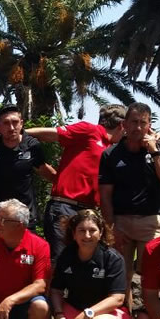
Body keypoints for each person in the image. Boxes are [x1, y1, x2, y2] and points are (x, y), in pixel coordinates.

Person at [100, 102, 160, 314]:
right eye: (133, 122)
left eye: (142, 123)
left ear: (149, 125)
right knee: (121, 275)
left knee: (152, 275)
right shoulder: (110, 154)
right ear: (124, 124)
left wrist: (154, 152)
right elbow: (105, 196)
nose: (137, 127)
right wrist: (111, 228)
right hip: (121, 222)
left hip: (151, 221)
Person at [26, 104, 126, 260]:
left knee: (81, 263)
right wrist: (18, 133)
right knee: (60, 262)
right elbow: (51, 134)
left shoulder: (113, 149)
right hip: (65, 208)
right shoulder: (90, 130)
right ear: (122, 125)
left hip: (88, 212)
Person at [46, 210, 132, 319]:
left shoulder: (112, 258)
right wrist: (59, 315)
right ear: (74, 233)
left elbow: (117, 298)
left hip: (109, 313)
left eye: (92, 230)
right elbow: (56, 290)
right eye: (81, 230)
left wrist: (86, 315)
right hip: (74, 307)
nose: (87, 235)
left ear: (100, 233)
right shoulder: (67, 255)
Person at [0, 105, 56, 235]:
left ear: (21, 123)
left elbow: (44, 169)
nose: (11, 128)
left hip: (25, 217)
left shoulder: (32, 146)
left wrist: (68, 186)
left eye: (15, 122)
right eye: (6, 123)